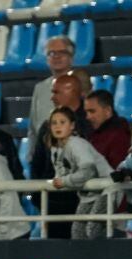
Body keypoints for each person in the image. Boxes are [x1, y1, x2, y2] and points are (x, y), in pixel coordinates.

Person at [31, 75, 92, 239]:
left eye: (56, 92)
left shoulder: (89, 124)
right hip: (51, 204)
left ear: (71, 91)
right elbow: (37, 165)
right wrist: (39, 198)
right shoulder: (46, 126)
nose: (52, 97)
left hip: (80, 204)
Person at [48, 107, 113, 240]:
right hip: (88, 194)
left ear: (72, 125)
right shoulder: (56, 149)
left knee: (92, 229)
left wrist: (65, 181)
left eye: (62, 122)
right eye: (54, 123)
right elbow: (60, 174)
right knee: (78, 232)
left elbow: (88, 170)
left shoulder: (77, 144)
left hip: (107, 190)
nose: (57, 126)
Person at [27, 35, 75, 161]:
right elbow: (33, 127)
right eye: (51, 53)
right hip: (43, 156)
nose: (56, 56)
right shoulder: (40, 88)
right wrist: (31, 155)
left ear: (72, 57)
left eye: (62, 52)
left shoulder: (81, 84)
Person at [85, 89, 131, 169]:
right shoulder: (94, 133)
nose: (87, 117)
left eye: (92, 111)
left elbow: (116, 172)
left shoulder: (118, 137)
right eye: (86, 112)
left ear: (107, 111)